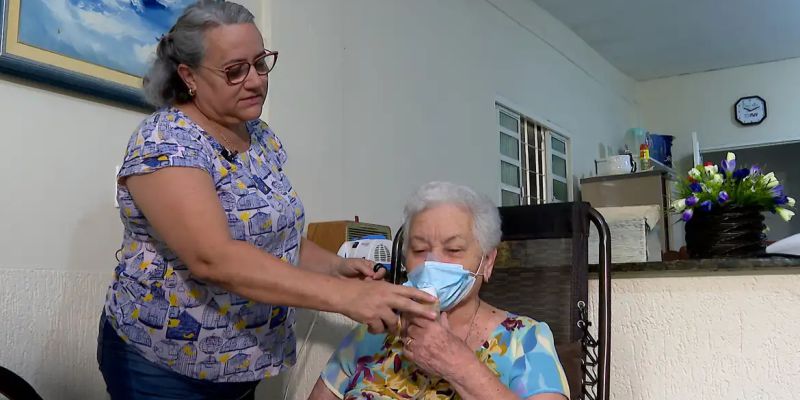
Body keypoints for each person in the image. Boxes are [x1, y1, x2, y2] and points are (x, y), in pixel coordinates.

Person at [96, 2, 435, 399]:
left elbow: (276, 236)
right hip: (164, 369)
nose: (256, 81)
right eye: (235, 71)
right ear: (188, 76)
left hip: (241, 365)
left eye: (260, 64)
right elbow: (214, 258)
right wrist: (345, 297)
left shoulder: (258, 136)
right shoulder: (166, 142)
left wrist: (336, 268)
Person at [309, 182, 569, 400]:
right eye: (419, 250)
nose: (433, 263)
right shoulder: (375, 330)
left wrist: (458, 365)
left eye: (453, 250)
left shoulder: (525, 341)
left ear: (487, 261)